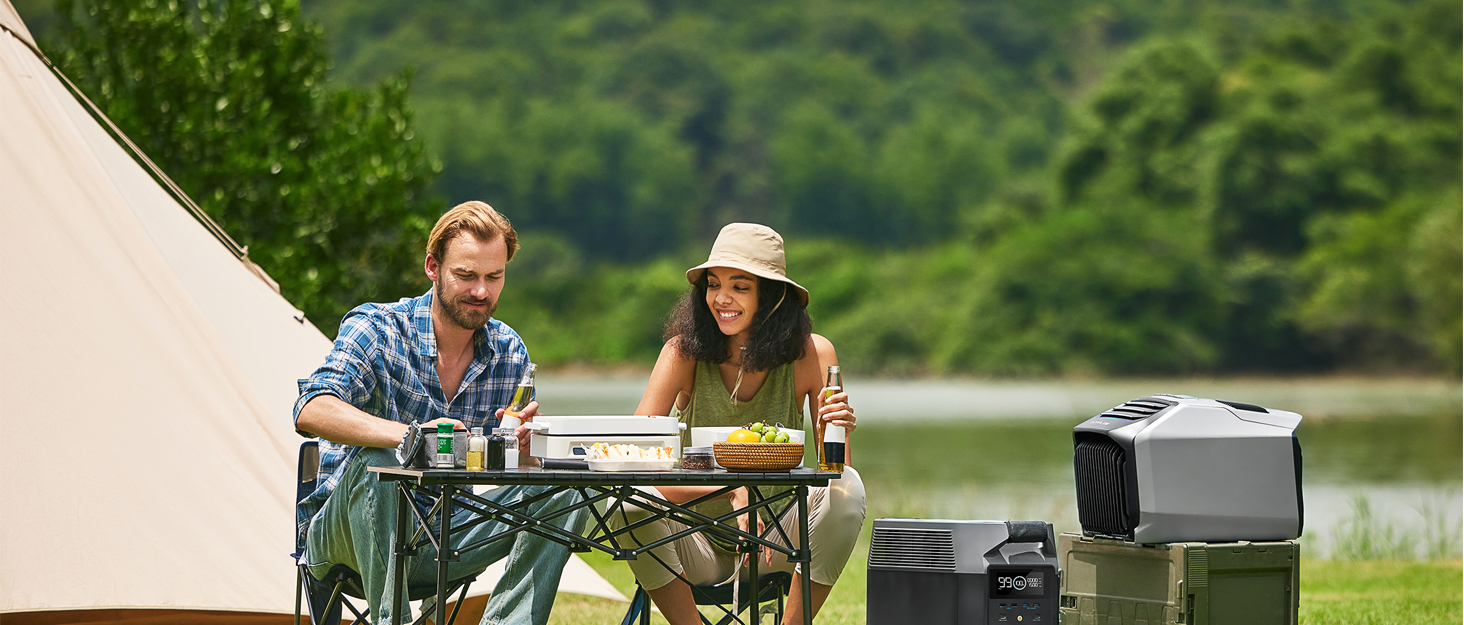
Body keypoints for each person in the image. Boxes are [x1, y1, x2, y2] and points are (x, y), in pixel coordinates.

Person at [293, 201, 587, 625]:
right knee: (381, 465)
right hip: (345, 537)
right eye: (466, 275)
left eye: (494, 276)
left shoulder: (509, 352)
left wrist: (520, 451)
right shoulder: (377, 328)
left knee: (563, 488)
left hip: (446, 532)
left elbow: (495, 468)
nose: (481, 291)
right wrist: (410, 436)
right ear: (433, 267)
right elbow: (311, 408)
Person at [617, 222, 867, 625]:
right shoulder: (682, 354)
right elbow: (632, 460)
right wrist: (732, 490)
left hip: (778, 543)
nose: (722, 298)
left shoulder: (812, 355)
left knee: (848, 488)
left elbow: (833, 479)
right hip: (695, 543)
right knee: (627, 503)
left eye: (740, 286)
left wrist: (835, 428)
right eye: (714, 285)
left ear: (771, 296)